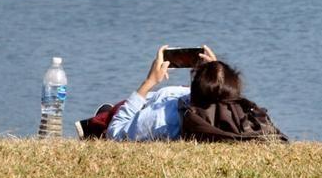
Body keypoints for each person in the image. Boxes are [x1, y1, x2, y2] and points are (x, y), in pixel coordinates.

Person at [76, 45, 287, 142]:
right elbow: (213, 95)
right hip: (183, 97)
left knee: (116, 112)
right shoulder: (243, 111)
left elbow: (116, 133)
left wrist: (149, 81)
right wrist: (215, 73)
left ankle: (97, 122)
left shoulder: (163, 118)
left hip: (142, 110)